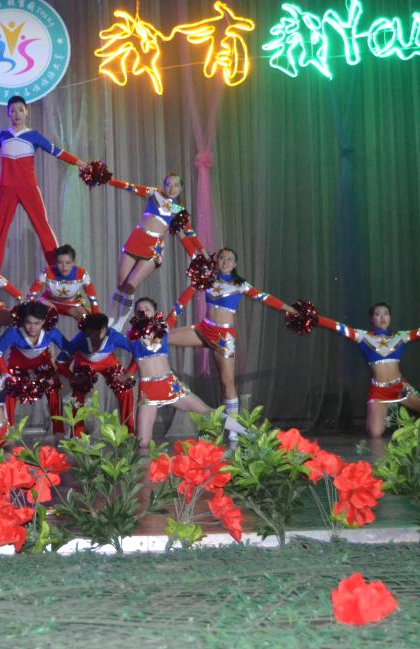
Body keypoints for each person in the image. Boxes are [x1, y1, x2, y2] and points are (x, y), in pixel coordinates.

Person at [0, 95, 88, 273]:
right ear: (8, 113)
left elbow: (57, 151)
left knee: (42, 226)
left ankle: (56, 270)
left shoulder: (34, 136)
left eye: (20, 110)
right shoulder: (3, 136)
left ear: (26, 112)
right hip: (6, 188)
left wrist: (80, 163)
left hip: (28, 188)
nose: (17, 114)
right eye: (13, 111)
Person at [313, 303, 420, 440]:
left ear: (390, 317)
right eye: (377, 314)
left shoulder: (401, 336)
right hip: (378, 392)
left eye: (386, 313)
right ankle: (382, 416)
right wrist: (315, 318)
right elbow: (337, 327)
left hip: (401, 388)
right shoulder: (363, 337)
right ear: (371, 319)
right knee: (375, 433)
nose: (382, 317)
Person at [168, 248, 294, 419]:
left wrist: (290, 309)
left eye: (229, 259)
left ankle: (233, 430)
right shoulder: (208, 277)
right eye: (222, 258)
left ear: (235, 264)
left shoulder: (239, 284)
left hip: (223, 338)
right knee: (163, 336)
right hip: (204, 330)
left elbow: (265, 298)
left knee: (227, 383)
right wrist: (182, 232)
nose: (225, 261)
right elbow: (192, 246)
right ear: (216, 261)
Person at [128, 291, 232, 450]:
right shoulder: (132, 338)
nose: (143, 312)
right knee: (142, 442)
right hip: (148, 392)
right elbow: (135, 362)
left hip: (170, 386)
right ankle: (145, 463)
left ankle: (246, 431)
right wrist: (125, 375)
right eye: (139, 310)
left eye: (147, 309)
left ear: (154, 313)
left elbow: (179, 306)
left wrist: (193, 286)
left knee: (207, 411)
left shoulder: (162, 329)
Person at [104, 173, 206, 331]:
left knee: (130, 286)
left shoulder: (180, 211)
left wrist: (203, 253)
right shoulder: (155, 194)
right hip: (136, 240)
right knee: (121, 284)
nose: (171, 188)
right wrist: (108, 180)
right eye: (168, 184)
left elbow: (190, 235)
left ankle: (119, 324)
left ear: (181, 188)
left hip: (153, 248)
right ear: (163, 185)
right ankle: (110, 320)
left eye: (176, 185)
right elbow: (130, 187)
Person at [0, 301, 70, 435]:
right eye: (28, 323)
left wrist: (57, 372)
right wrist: (5, 374)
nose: (32, 328)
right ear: (23, 321)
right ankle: (9, 432)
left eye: (37, 323)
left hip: (43, 367)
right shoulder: (14, 331)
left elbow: (69, 350)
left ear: (44, 322)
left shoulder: (50, 331)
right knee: (9, 392)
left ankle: (58, 432)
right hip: (17, 367)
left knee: (53, 389)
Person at [57, 313, 136, 435]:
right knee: (78, 395)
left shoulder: (113, 336)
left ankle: (128, 432)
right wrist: (72, 378)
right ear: (87, 331)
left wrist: (128, 374)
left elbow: (138, 351)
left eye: (101, 331)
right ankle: (77, 435)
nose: (98, 335)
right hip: (84, 363)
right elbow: (60, 360)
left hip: (108, 362)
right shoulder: (80, 338)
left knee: (125, 389)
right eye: (94, 332)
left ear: (106, 329)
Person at [25, 244, 100, 323]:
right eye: (60, 263)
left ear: (74, 262)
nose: (64, 267)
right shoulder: (46, 272)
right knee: (37, 316)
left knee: (88, 320)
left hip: (72, 304)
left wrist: (97, 318)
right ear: (55, 262)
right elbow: (31, 295)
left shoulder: (82, 274)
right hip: (49, 301)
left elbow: (93, 299)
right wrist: (33, 308)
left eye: (68, 263)